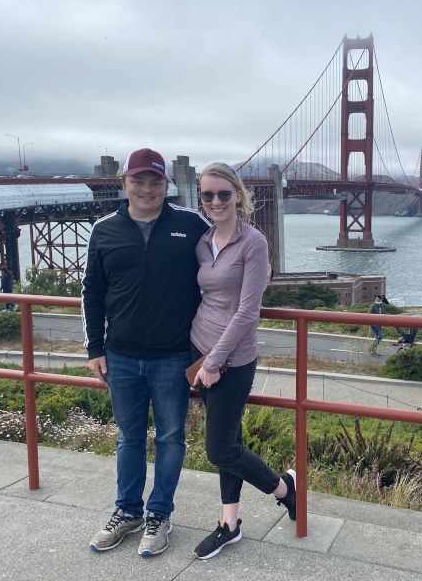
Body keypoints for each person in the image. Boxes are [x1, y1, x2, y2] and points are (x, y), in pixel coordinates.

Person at [82, 148, 210, 557]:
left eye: (155, 181)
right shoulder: (104, 230)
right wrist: (94, 347)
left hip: (173, 355)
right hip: (119, 355)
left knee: (171, 437)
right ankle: (127, 511)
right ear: (124, 183)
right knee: (129, 437)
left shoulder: (192, 224)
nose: (147, 188)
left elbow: (225, 261)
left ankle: (159, 514)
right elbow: (92, 292)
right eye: (138, 180)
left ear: (166, 185)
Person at [188, 162, 296, 560]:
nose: (215, 201)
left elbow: (248, 312)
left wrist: (213, 363)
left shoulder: (254, 243)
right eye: (207, 195)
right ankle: (229, 525)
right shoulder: (202, 242)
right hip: (198, 350)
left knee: (219, 449)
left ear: (238, 195)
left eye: (223, 194)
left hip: (230, 361)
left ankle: (284, 488)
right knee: (229, 441)